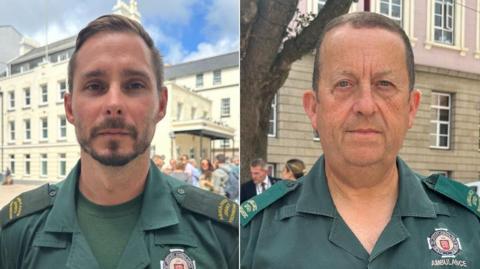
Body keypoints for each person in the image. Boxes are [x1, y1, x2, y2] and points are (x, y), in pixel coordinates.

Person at [240, 12, 480, 268]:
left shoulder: (470, 225)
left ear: (411, 108)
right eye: (344, 84)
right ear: (313, 108)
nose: (366, 106)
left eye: (384, 84)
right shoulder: (250, 233)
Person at [0, 15, 238, 269]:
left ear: (161, 104)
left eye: (134, 85)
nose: (114, 104)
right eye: (94, 86)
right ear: (70, 108)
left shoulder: (223, 234)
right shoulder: (14, 233)